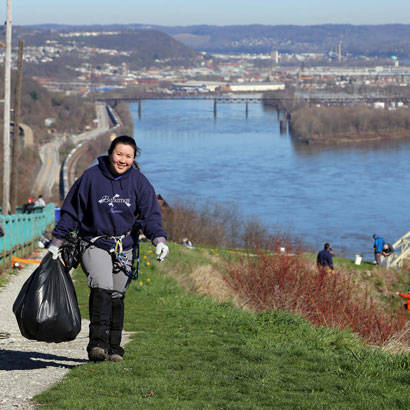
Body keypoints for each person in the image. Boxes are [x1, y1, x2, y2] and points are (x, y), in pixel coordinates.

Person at [48, 135, 169, 363]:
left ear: (133, 159)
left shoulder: (139, 182)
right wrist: (56, 242)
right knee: (102, 286)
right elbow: (72, 211)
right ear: (110, 153)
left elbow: (150, 215)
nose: (122, 160)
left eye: (128, 156)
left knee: (116, 294)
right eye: (119, 154)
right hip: (95, 242)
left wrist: (159, 240)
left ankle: (114, 348)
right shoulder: (91, 178)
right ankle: (97, 344)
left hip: (125, 246)